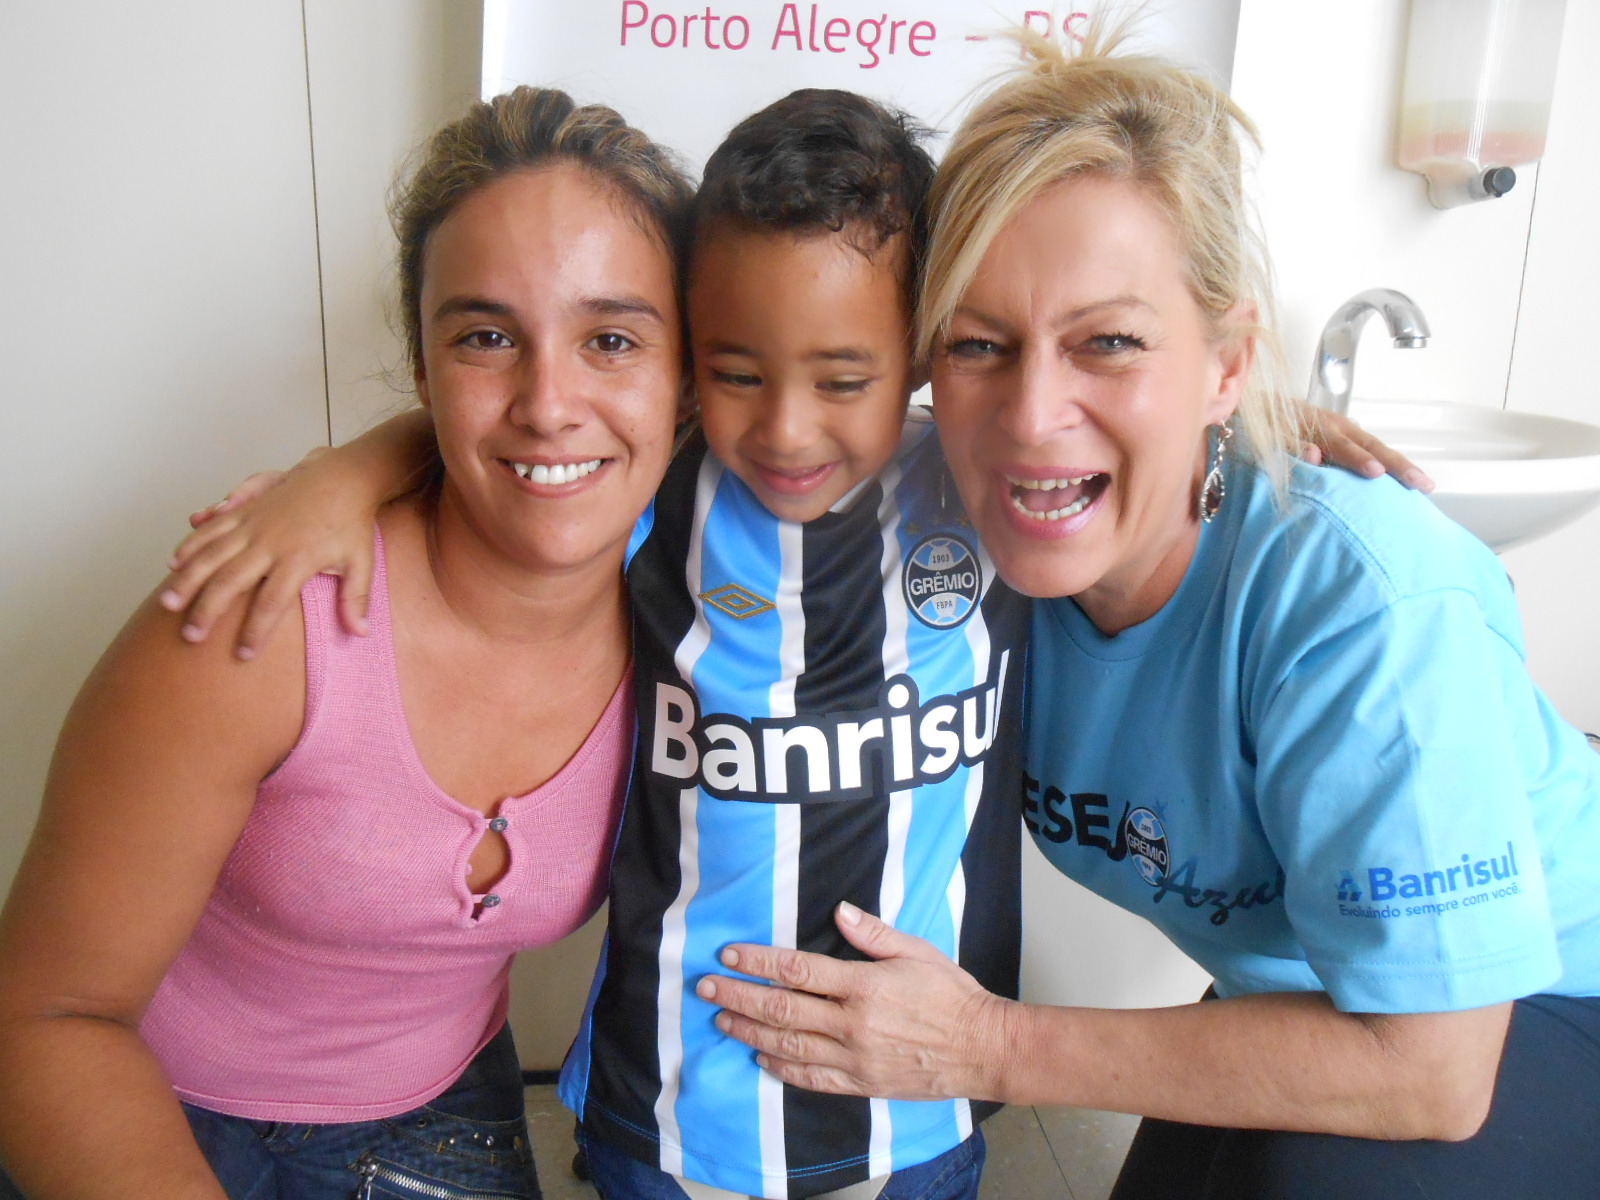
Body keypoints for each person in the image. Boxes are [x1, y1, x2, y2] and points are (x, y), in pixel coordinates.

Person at [151, 83, 1423, 1200]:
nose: (788, 430)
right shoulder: (651, 501)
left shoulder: (981, 492)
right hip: (671, 1114)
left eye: (845, 377)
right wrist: (343, 469)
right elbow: (527, 443)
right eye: (737, 370)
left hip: (922, 1113)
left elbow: (1107, 445)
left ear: (926, 354)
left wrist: (1257, 408)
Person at [695, 27, 1600, 1200]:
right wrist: (390, 459)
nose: (1030, 417)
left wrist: (987, 1043)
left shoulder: (1362, 603)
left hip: (1524, 1008)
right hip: (1309, 989)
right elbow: (626, 434)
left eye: (1109, 343)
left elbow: (1431, 1074)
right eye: (979, 344)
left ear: (1226, 363)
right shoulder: (947, 527)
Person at [0, 86, 692, 1200]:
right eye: (484, 337)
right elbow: (44, 1019)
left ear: (688, 376)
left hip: (446, 1113)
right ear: (423, 369)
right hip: (149, 1107)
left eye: (610, 338)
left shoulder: (718, 619)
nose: (548, 401)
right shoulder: (263, 618)